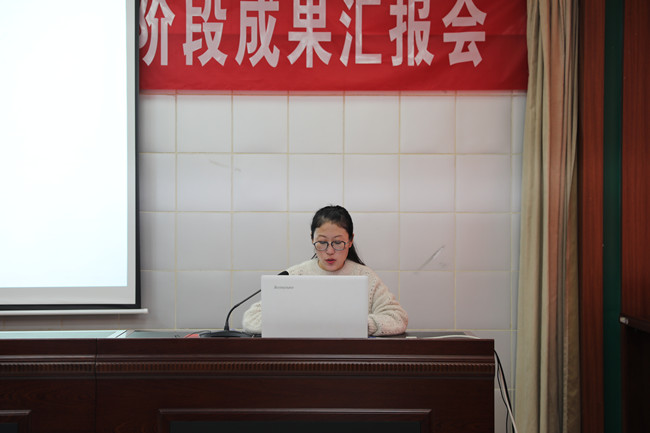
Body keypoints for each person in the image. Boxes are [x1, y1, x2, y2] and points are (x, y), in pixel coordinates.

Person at [242, 205, 408, 336]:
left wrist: (359, 325)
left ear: (350, 240)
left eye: (338, 242)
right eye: (322, 242)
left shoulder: (365, 276)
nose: (329, 251)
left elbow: (398, 318)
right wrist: (304, 324)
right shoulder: (294, 276)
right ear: (312, 239)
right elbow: (251, 319)